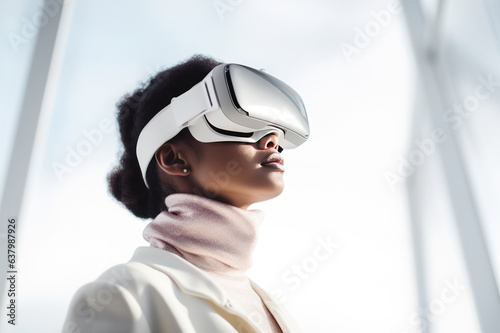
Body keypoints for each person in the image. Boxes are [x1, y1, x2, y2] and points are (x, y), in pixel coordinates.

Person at [62, 54, 309, 333]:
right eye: (238, 118)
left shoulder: (276, 312)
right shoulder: (122, 295)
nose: (272, 139)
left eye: (272, 125)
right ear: (174, 159)